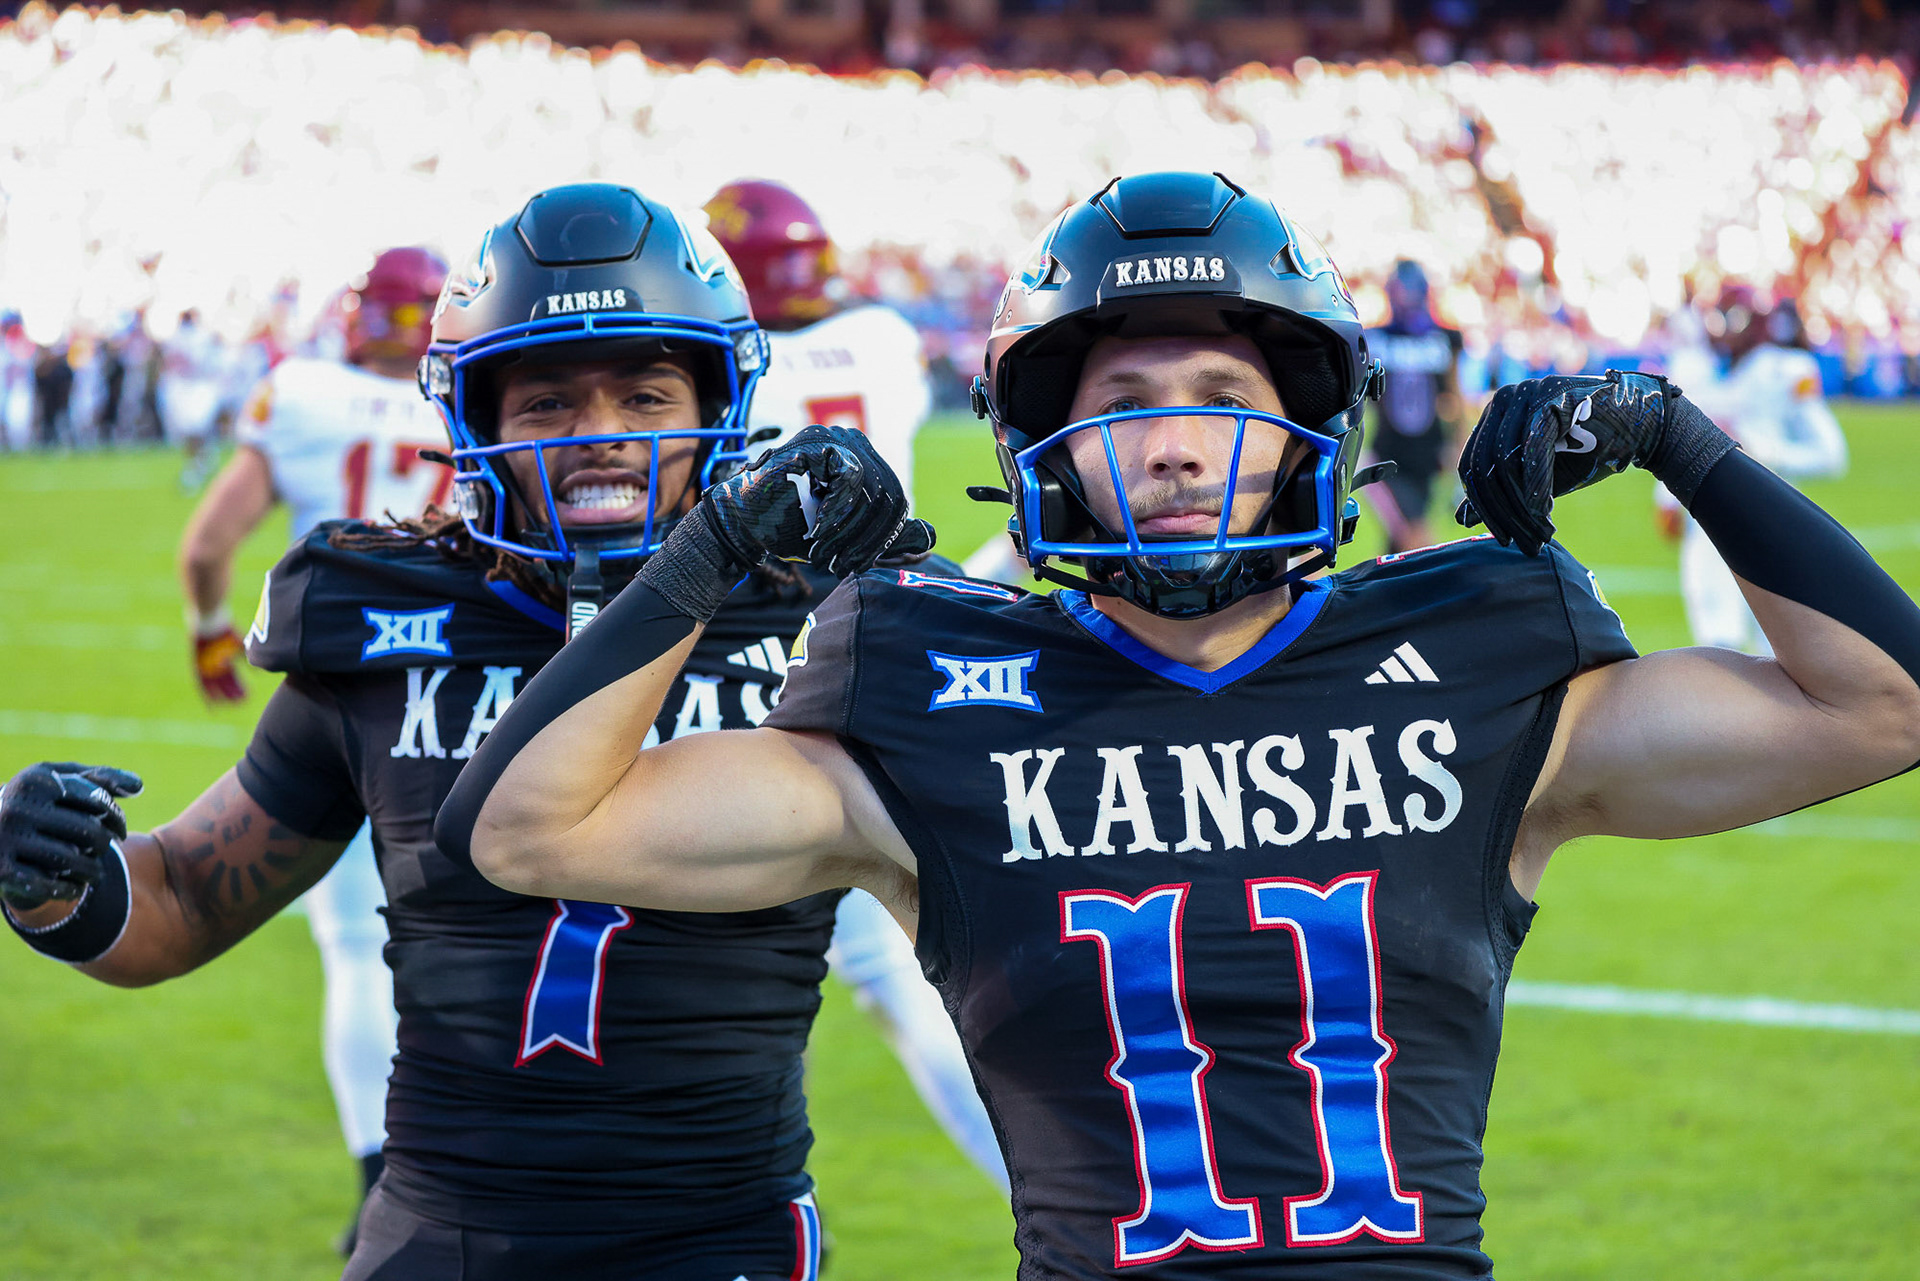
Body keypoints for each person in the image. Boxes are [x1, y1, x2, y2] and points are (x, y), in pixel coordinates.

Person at [436, 171, 1920, 1278]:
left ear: (1307, 430)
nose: (1175, 432)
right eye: (1127, 393)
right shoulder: (929, 689)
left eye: (1223, 389)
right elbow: (528, 828)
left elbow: (1883, 706)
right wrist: (715, 547)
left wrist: (1682, 438)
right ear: (1043, 448)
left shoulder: (1477, 663)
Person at [0, 181, 873, 1281]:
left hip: (724, 1233)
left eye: (646, 397)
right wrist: (51, 880)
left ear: (719, 406)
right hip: (442, 1237)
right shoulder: (384, 621)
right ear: (478, 422)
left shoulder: (828, 624)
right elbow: (177, 900)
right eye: (548, 403)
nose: (600, 438)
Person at [707, 177, 1006, 1189]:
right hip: (897, 648)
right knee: (917, 970)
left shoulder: (729, 364)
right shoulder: (879, 336)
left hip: (770, 673)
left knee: (716, 981)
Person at [174, 244, 450, 1253]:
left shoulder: (303, 392)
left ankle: (379, 1180)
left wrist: (211, 629)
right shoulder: (471, 395)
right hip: (459, 692)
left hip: (338, 681)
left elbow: (208, 544)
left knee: (352, 954)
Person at [1657, 297, 1848, 653]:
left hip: (1770, 513)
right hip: (1707, 517)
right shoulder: (1692, 366)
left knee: (1777, 651)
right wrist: (1666, 496)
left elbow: (1831, 455)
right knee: (1718, 648)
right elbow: (1672, 434)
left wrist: (1769, 456)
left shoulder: (1784, 370)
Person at [1364, 258, 1464, 554]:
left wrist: (1459, 447)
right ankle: (1437, 598)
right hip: (1387, 456)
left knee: (1398, 548)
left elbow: (1454, 397)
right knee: (1416, 538)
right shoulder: (1376, 338)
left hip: (1429, 456)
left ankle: (1386, 598)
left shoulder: (1443, 338)